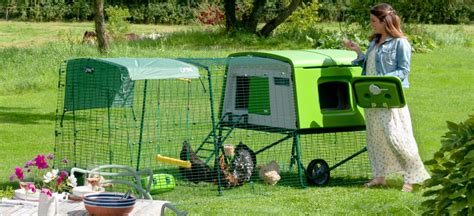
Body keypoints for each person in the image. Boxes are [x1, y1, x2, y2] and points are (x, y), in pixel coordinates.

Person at [342, 3, 430, 192]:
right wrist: (357, 51)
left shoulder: (401, 43)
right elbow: (369, 63)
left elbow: (404, 70)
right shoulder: (374, 41)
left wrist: (382, 82)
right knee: (375, 138)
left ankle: (412, 176)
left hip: (388, 97)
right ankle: (379, 177)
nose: (371, 24)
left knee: (396, 137)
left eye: (374, 21)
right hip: (370, 96)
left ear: (385, 21)